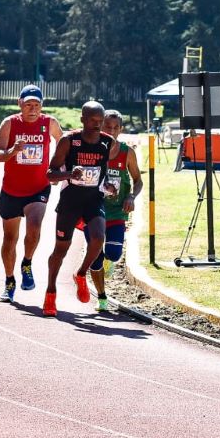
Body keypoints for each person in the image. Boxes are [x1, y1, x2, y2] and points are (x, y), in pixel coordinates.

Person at [42, 101, 115, 317]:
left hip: (93, 200)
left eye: (100, 121)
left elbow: (103, 173)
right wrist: (68, 175)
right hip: (70, 201)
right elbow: (50, 174)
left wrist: (108, 186)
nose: (97, 125)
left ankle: (81, 274)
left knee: (98, 238)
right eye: (92, 120)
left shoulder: (107, 143)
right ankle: (50, 293)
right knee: (61, 249)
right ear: (82, 119)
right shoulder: (68, 141)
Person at [0, 85, 63, 302]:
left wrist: (60, 169)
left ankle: (27, 263)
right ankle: (9, 280)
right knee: (10, 239)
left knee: (34, 227)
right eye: (28, 105)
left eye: (37, 105)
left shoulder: (49, 123)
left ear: (42, 106)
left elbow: (64, 145)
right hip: (11, 190)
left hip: (38, 188)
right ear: (19, 104)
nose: (32, 109)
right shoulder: (10, 123)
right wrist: (13, 150)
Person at [85, 109, 142, 311]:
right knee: (95, 258)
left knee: (114, 253)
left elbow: (138, 180)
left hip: (117, 211)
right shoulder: (90, 148)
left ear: (121, 129)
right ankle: (101, 297)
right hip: (93, 210)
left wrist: (131, 196)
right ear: (100, 126)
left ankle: (110, 261)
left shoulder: (127, 152)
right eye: (107, 126)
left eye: (115, 127)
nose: (111, 130)